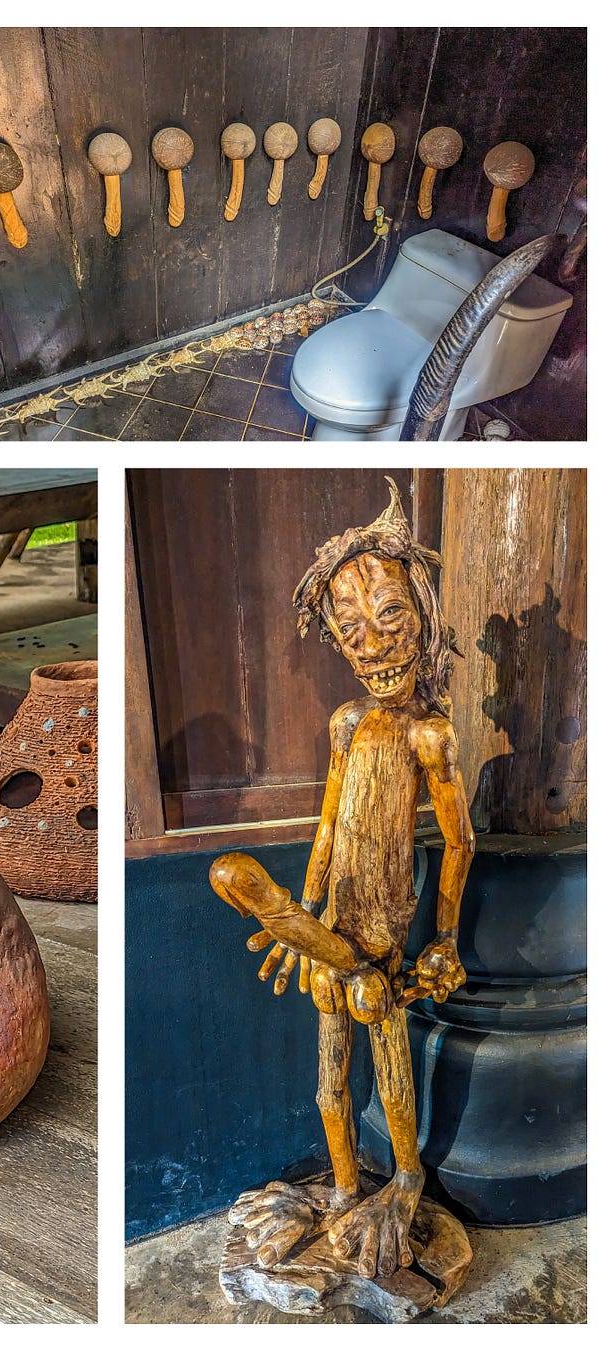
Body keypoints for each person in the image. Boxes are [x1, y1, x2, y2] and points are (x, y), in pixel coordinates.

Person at [210, 481, 474, 1280]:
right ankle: (343, 1192)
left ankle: (404, 1178)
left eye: (390, 617)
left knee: (385, 1058)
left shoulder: (429, 734)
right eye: (349, 630)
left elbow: (458, 844)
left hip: (383, 945)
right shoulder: (348, 723)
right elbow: (327, 824)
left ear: (423, 615)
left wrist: (446, 937)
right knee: (329, 1086)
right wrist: (312, 903)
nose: (372, 644)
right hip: (332, 931)